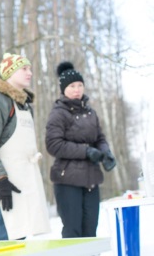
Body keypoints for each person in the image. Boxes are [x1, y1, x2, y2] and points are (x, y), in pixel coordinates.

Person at [0, 53, 50, 240]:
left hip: (26, 180)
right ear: (9, 73)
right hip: (5, 183)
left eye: (30, 69)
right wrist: (0, 179)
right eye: (24, 69)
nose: (30, 73)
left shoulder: (25, 104)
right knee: (7, 238)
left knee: (22, 236)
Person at [45, 61, 116, 238]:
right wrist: (86, 151)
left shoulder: (90, 112)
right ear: (63, 89)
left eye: (80, 85)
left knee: (90, 232)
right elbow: (53, 144)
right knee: (73, 232)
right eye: (72, 86)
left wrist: (106, 153)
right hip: (67, 180)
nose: (77, 89)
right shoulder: (58, 113)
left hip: (91, 180)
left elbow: (100, 138)